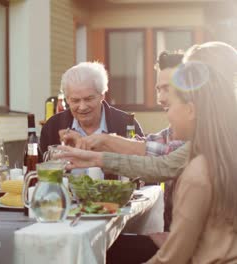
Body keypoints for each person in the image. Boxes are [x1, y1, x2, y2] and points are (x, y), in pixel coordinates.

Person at [58, 41, 237, 263]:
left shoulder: (202, 164)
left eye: (175, 91)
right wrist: (97, 150)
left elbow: (160, 164)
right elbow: (154, 148)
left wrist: (96, 152)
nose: (164, 101)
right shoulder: (215, 140)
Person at [62, 51, 185, 232]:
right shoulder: (177, 130)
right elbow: (152, 144)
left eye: (167, 89)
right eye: (159, 89)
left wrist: (100, 152)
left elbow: (162, 163)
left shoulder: (211, 133)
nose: (160, 98)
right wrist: (103, 142)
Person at [40, 61, 144, 179]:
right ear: (67, 99)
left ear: (102, 95)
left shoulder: (126, 124)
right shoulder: (52, 127)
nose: (82, 107)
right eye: (75, 100)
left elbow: (145, 171)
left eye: (89, 99)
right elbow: (40, 173)